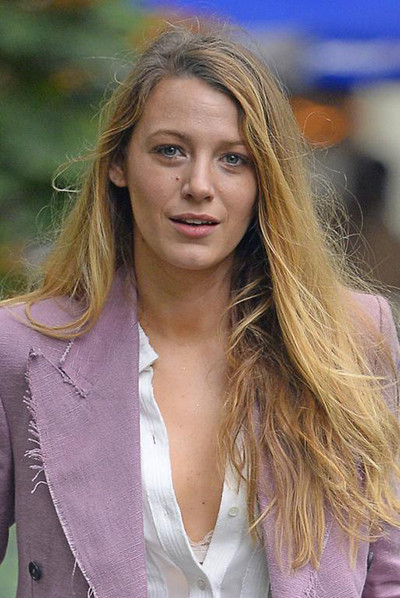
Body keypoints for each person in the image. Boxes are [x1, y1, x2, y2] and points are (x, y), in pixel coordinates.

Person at [0, 24, 399, 598]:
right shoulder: (24, 349)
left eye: (234, 159)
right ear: (118, 163)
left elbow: (389, 574)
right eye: (170, 151)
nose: (199, 185)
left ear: (266, 181)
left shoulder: (351, 339)